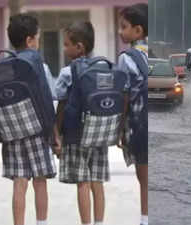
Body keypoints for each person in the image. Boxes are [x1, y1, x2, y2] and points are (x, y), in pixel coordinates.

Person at [4, 14, 60, 225]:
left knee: (19, 183)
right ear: (29, 40)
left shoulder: (5, 65)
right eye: (37, 38)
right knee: (40, 181)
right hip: (37, 131)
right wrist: (55, 135)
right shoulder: (40, 66)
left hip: (13, 132)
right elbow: (47, 101)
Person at [55, 21, 109, 225]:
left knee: (82, 184)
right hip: (99, 133)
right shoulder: (102, 68)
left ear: (79, 47)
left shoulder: (67, 73)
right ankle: (99, 222)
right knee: (98, 182)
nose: (64, 48)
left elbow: (61, 106)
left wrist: (56, 133)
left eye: (67, 44)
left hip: (75, 135)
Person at [118, 3, 149, 225]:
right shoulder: (154, 55)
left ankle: (145, 219)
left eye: (124, 26)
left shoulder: (127, 58)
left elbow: (124, 96)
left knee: (143, 177)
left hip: (139, 125)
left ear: (137, 31)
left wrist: (120, 126)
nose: (120, 31)